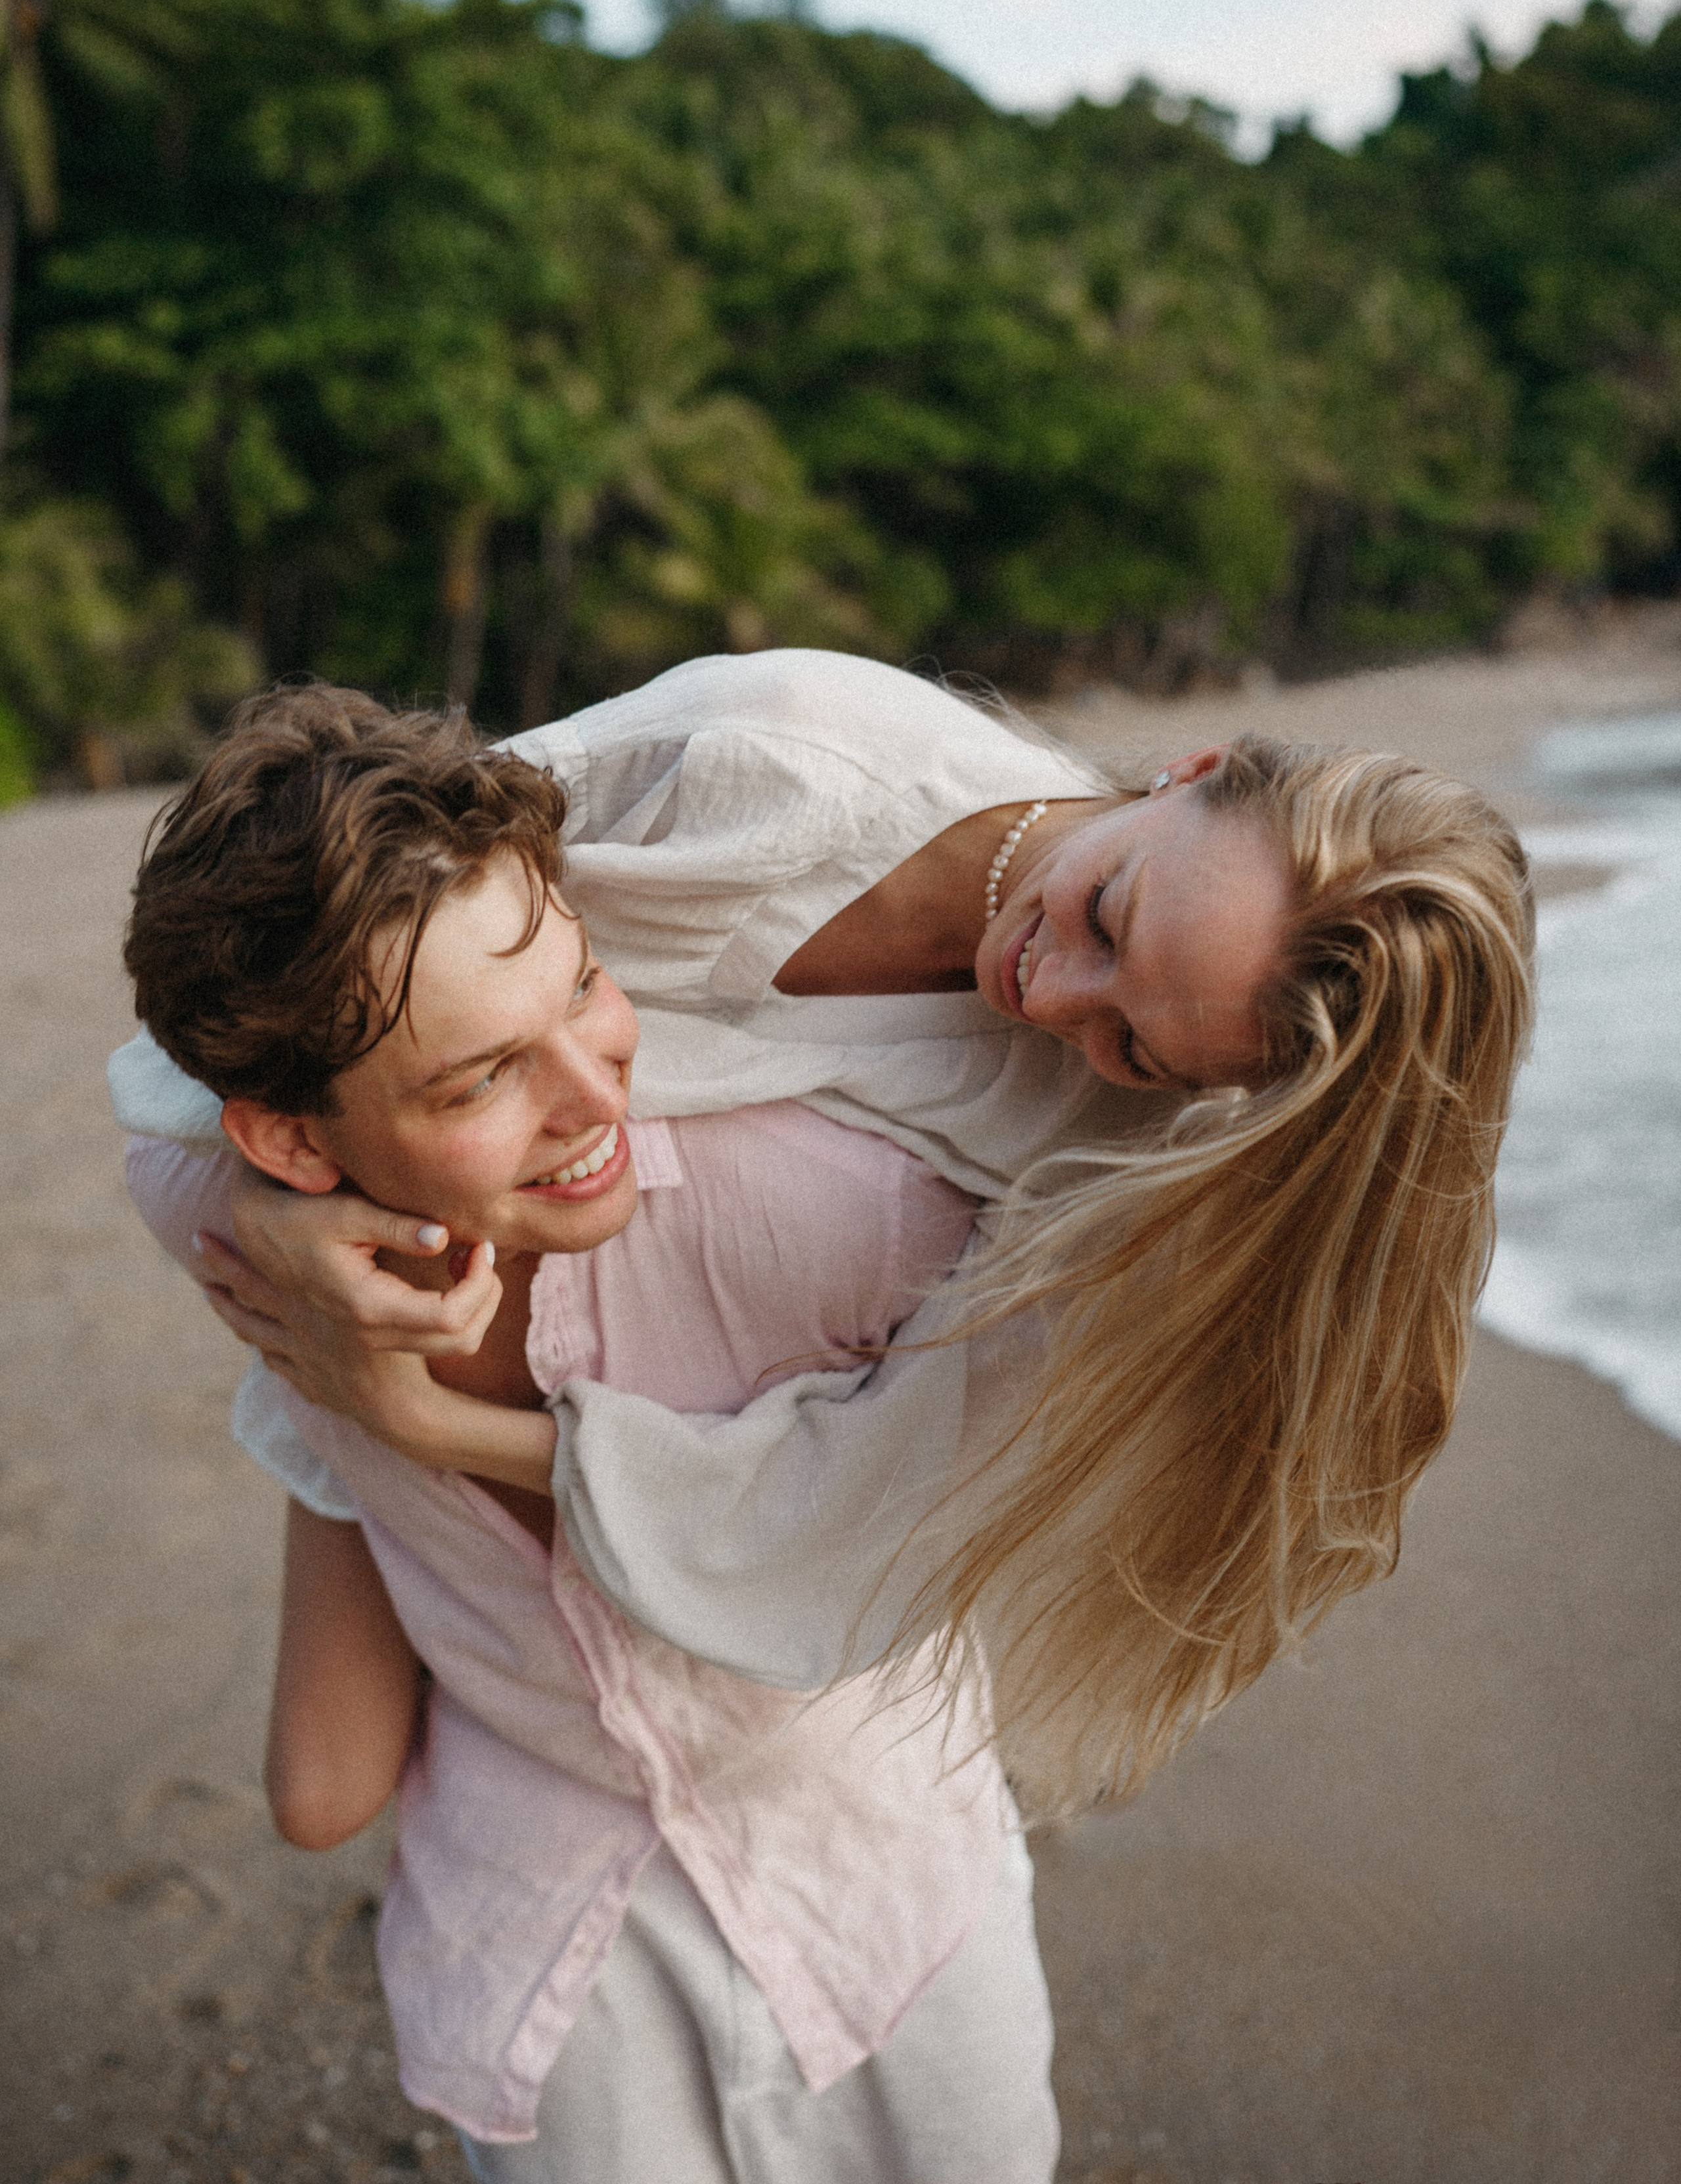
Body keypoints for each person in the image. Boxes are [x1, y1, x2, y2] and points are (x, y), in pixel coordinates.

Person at [114, 647, 1536, 1816]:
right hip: (422, 1214)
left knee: (332, 1788)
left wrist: (421, 1421)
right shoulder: (781, 755)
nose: (1051, 997)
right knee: (326, 1789)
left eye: (1135, 1045)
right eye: (1109, 916)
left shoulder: (1120, 1152)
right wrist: (271, 1207)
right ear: (1190, 770)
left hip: (613, 1426)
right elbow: (297, 942)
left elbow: (846, 1511)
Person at [120, 687, 1059, 2184]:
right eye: (481, 1076)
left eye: (585, 986)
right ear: (289, 1142)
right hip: (544, 1919)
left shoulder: (841, 1216)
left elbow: (1022, 1362)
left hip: (876, 1863)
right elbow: (168, 1144)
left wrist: (403, 1411)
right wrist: (281, 1264)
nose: (593, 1092)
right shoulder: (224, 1218)